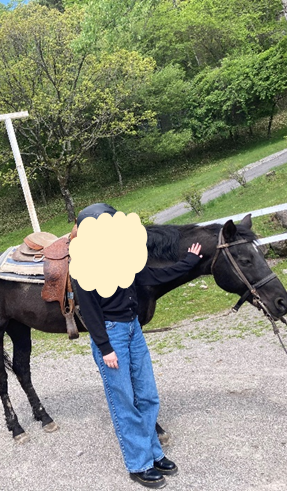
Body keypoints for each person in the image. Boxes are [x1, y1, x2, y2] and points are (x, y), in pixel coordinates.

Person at [71, 203, 203, 489]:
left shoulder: (124, 260)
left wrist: (189, 262)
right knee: (124, 402)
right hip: (111, 335)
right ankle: (138, 464)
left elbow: (155, 277)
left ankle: (154, 454)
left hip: (133, 330)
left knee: (147, 395)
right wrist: (105, 347)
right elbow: (90, 312)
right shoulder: (83, 267)